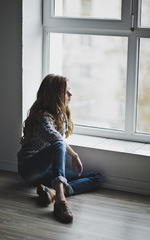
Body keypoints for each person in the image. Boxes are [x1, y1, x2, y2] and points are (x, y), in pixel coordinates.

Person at [17, 74, 102, 223]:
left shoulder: (58, 115)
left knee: (97, 177)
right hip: (30, 168)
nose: (71, 94)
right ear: (55, 95)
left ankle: (53, 193)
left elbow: (58, 139)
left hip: (48, 171)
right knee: (58, 144)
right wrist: (74, 155)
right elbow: (58, 141)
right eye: (66, 91)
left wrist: (74, 156)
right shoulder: (41, 117)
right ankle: (60, 200)